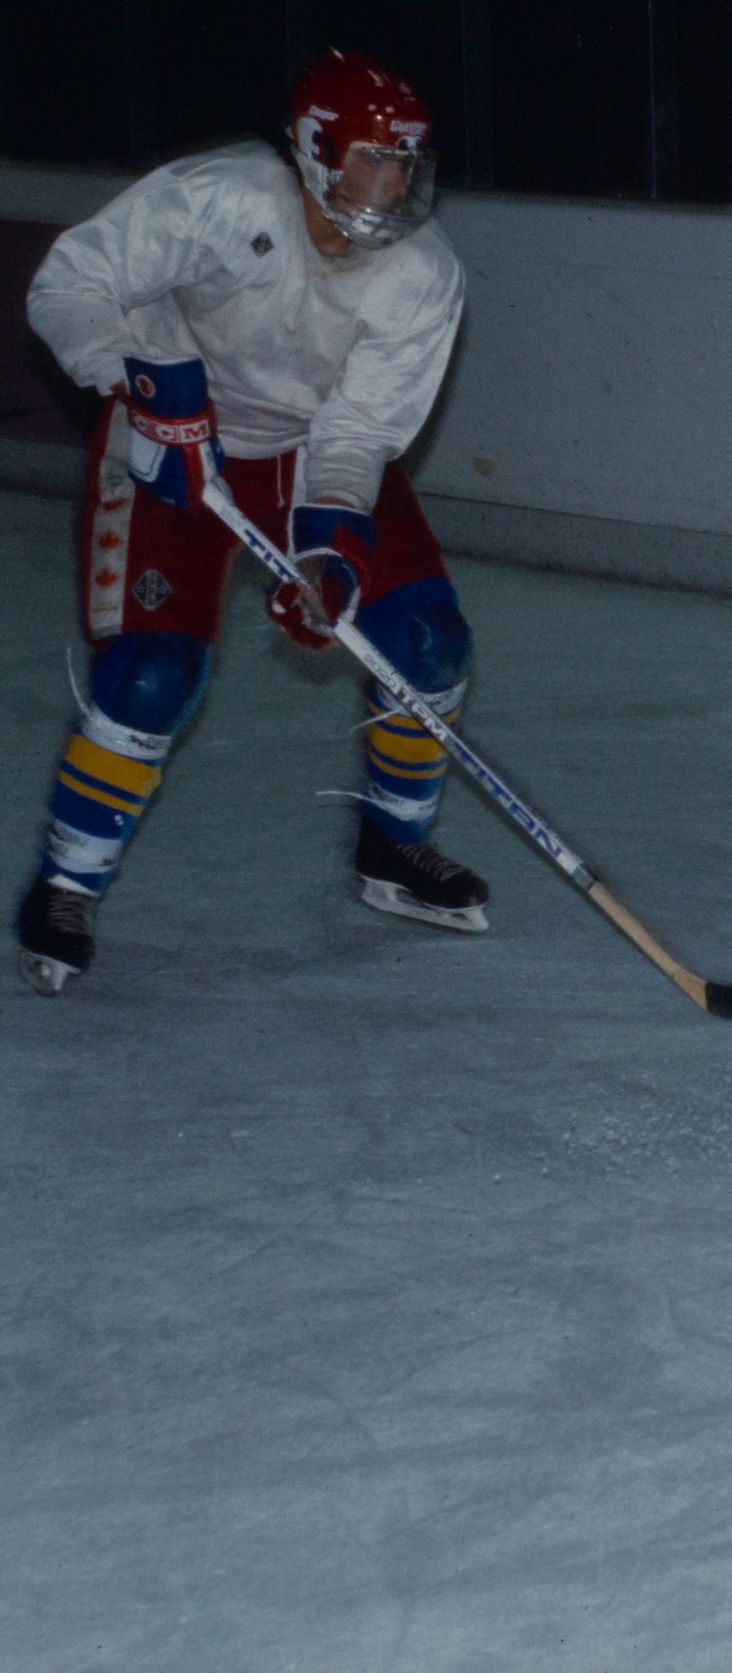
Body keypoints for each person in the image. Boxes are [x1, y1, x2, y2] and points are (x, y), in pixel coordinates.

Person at [15, 49, 481, 997]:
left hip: (313, 448)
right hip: (171, 441)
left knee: (428, 641)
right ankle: (66, 882)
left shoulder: (424, 277)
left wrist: (331, 545)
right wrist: (136, 383)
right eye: (369, 158)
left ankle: (393, 847)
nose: (390, 185)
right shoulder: (215, 200)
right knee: (152, 672)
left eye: (406, 162)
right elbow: (67, 285)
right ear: (312, 150)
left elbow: (357, 432)